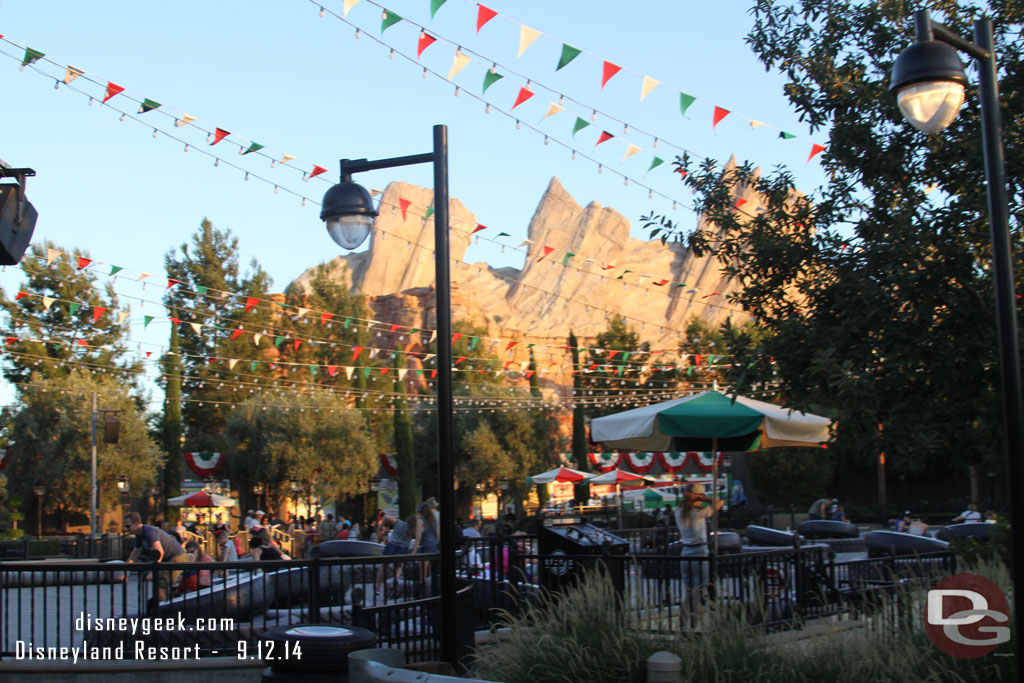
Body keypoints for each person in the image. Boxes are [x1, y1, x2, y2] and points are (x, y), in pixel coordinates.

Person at [675, 483, 723, 620]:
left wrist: (695, 499)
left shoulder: (678, 511)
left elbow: (687, 506)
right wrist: (703, 499)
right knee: (699, 590)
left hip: (685, 552)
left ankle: (684, 623)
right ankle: (695, 624)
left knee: (689, 590)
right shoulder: (699, 513)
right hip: (700, 551)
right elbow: (719, 503)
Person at [125, 512, 190, 602]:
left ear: (136, 524)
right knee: (161, 587)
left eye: (128, 526)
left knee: (161, 587)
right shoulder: (139, 535)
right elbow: (135, 553)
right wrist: (125, 571)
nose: (126, 529)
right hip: (167, 559)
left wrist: (153, 571)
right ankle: (166, 605)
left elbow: (159, 551)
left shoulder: (148, 531)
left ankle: (162, 611)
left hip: (175, 557)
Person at [375, 513, 414, 598]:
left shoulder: (399, 522)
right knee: (398, 566)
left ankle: (378, 588)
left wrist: (381, 526)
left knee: (383, 566)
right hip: (402, 548)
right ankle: (396, 578)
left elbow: (385, 517)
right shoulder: (412, 529)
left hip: (392, 545)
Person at [411, 502, 440, 584]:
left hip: (425, 547)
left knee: (422, 572)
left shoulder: (420, 521)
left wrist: (413, 552)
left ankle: (423, 589)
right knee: (431, 571)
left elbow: (418, 538)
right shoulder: (434, 521)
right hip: (434, 547)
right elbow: (438, 536)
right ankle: (432, 590)